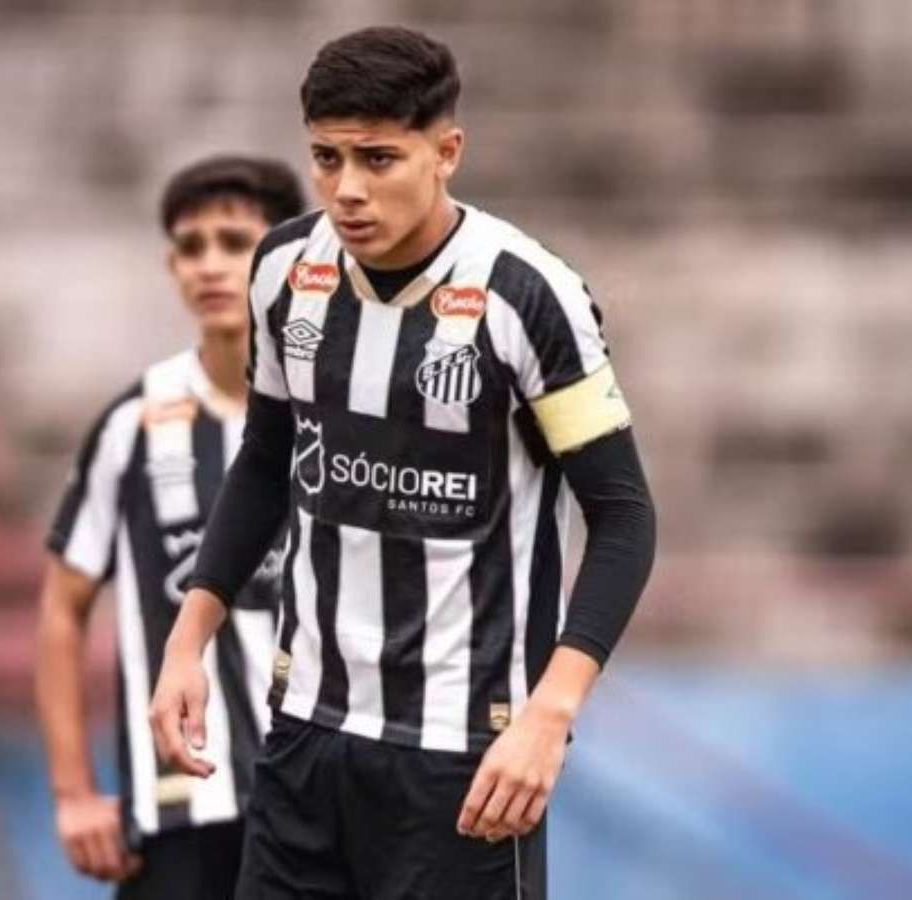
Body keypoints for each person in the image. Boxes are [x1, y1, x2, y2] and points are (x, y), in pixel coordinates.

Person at [150, 26, 656, 900]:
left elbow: (623, 516)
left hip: (465, 757)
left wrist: (550, 713)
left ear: (446, 152)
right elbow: (268, 462)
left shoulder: (527, 296)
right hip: (304, 733)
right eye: (327, 157)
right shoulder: (283, 270)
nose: (348, 188)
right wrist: (187, 640)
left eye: (378, 158)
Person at [35, 155, 306, 899]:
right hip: (182, 812)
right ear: (171, 265)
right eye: (191, 246)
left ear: (290, 259)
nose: (210, 265)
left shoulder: (345, 410)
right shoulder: (134, 424)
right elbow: (62, 606)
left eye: (234, 242)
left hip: (322, 804)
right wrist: (72, 792)